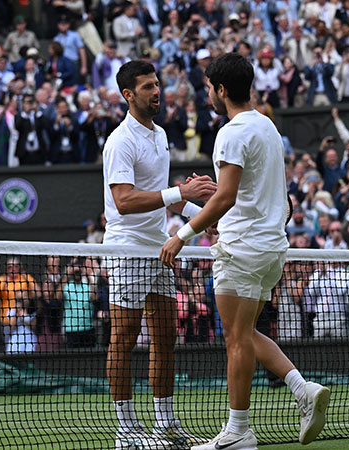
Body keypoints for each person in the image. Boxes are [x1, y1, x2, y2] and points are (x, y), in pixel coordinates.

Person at [160, 52, 330, 449]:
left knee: (235, 340)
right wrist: (192, 202)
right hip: (271, 250)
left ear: (221, 90)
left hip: (241, 251)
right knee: (246, 333)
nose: (207, 97)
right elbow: (252, 200)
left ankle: (238, 433)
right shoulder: (268, 128)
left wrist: (180, 235)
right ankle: (302, 389)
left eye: (208, 90)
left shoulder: (231, 132)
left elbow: (226, 199)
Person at [102, 60, 217, 449]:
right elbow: (123, 201)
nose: (157, 91)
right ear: (128, 95)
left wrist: (202, 217)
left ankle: (165, 425)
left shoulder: (160, 134)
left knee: (167, 336)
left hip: (158, 246)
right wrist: (183, 194)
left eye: (157, 84)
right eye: (148, 86)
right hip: (127, 248)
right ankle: (126, 431)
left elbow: (160, 195)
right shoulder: (120, 141)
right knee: (124, 337)